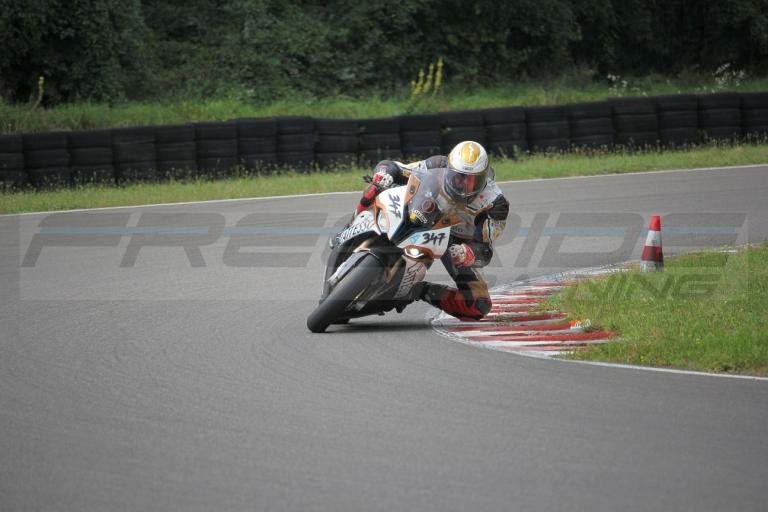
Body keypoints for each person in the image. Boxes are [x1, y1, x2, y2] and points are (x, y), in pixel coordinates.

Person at [354, 140, 509, 321]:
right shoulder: (436, 165)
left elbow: (484, 250)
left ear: (484, 178)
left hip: (455, 242)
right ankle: (355, 223)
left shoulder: (495, 204)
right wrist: (384, 174)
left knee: (478, 305)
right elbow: (395, 167)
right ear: (449, 168)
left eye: (472, 180)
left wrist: (465, 253)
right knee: (374, 188)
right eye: (459, 176)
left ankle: (416, 290)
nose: (464, 184)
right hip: (420, 210)